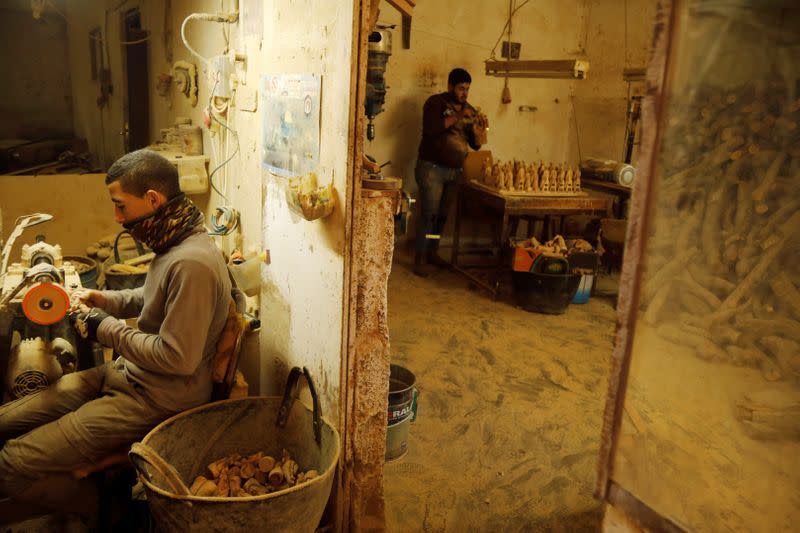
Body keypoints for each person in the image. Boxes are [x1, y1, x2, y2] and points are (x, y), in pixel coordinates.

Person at [0, 149, 233, 516]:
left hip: (158, 397)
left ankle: (104, 508)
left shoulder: (193, 263)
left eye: (121, 206)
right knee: (5, 421)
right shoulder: (174, 241)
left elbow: (177, 357)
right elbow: (149, 298)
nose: (117, 217)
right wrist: (101, 299)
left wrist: (102, 327)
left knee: (11, 463)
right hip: (128, 374)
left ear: (152, 200)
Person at [414, 67, 488, 277]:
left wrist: (480, 131)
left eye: (467, 89)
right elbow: (432, 129)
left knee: (442, 217)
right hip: (432, 169)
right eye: (461, 88)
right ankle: (420, 258)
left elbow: (476, 146)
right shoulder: (435, 103)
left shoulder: (470, 111)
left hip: (455, 172)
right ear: (450, 86)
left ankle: (433, 252)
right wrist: (458, 115)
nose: (464, 93)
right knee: (429, 215)